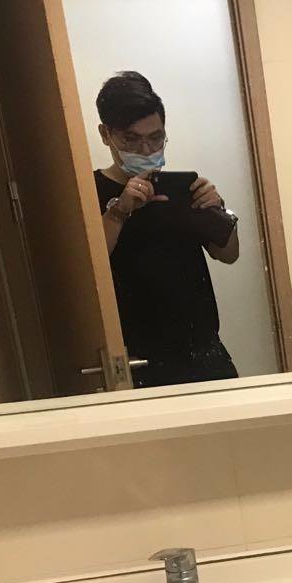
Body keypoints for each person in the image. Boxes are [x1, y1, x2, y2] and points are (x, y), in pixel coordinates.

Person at [93, 71, 240, 387]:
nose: (146, 149)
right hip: (138, 362)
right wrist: (119, 211)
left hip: (205, 351)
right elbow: (87, 269)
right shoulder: (91, 191)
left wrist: (217, 210)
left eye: (156, 137)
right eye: (131, 139)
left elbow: (228, 254)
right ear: (106, 134)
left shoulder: (182, 189)